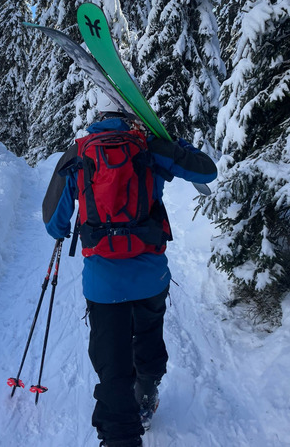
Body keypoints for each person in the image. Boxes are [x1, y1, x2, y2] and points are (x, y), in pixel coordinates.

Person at [42, 104, 217, 447]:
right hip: (150, 276)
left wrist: (65, 227)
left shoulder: (78, 151)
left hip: (103, 284)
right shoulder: (149, 145)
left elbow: (53, 224)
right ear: (130, 121)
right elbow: (206, 172)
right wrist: (176, 142)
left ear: (96, 124)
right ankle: (147, 397)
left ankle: (119, 436)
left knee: (112, 365)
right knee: (148, 339)